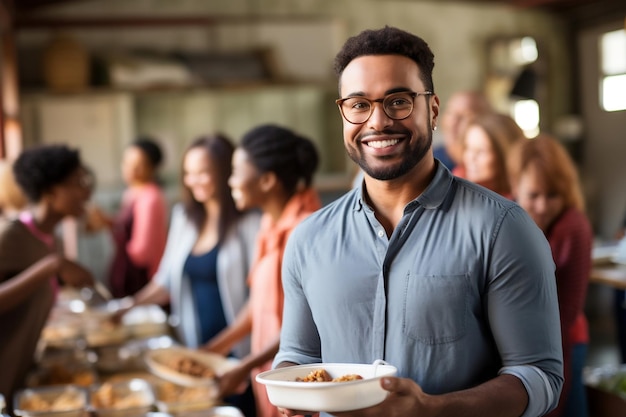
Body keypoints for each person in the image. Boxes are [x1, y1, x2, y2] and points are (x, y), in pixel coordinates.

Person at [274, 26, 563, 417]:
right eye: (359, 104)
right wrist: (291, 387)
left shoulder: (503, 229)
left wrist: (431, 408)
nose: (377, 122)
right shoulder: (309, 239)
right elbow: (299, 355)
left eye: (398, 101)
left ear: (433, 109)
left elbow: (539, 376)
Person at [115, 134, 261, 415]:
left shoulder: (250, 222)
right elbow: (165, 281)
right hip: (196, 349)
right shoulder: (184, 217)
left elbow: (260, 299)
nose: (194, 181)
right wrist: (126, 308)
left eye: (203, 173)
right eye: (188, 174)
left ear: (225, 173)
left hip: (238, 352)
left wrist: (220, 348)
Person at [202, 124, 321, 417]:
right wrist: (214, 349)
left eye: (236, 172)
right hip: (269, 377)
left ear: (267, 180)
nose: (230, 182)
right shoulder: (268, 224)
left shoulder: (307, 231)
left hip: (297, 382)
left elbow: (307, 326)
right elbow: (258, 305)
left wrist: (245, 365)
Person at [0, 144, 95, 408]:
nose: (86, 191)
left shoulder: (49, 239)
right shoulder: (11, 237)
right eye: (77, 183)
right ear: (51, 193)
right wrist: (51, 267)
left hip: (20, 376)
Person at [508, 134, 592, 417]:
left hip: (564, 337)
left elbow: (566, 312)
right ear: (515, 187)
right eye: (533, 195)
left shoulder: (574, 228)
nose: (543, 206)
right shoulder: (503, 216)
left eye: (553, 195)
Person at [106, 137, 168, 297]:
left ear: (152, 168)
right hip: (128, 273)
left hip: (141, 279)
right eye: (127, 163)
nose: (131, 170)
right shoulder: (131, 193)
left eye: (139, 165)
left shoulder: (150, 198)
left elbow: (142, 252)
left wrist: (112, 226)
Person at [461, 112, 526, 198]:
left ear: (504, 155)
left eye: (481, 151)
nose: (471, 157)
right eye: (468, 148)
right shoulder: (455, 185)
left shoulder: (522, 201)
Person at [433, 90, 492, 174]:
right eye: (450, 112)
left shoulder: (484, 169)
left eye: (465, 115)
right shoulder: (431, 161)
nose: (453, 122)